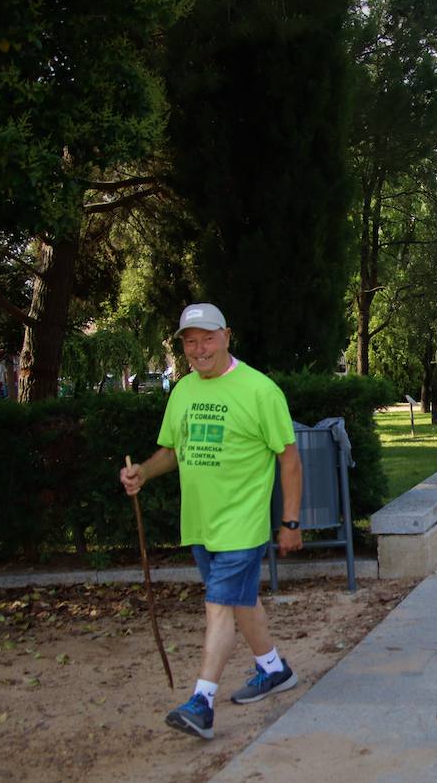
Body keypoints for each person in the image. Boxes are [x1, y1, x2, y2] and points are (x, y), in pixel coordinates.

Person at [120, 303, 304, 740]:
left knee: (218, 604)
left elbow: (289, 458)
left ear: (226, 335)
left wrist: (290, 521)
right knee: (239, 601)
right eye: (189, 340)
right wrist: (144, 471)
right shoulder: (182, 391)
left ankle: (201, 702)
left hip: (241, 524)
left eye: (206, 338)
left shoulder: (259, 390)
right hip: (200, 524)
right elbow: (172, 451)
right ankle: (274, 669)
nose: (198, 348)